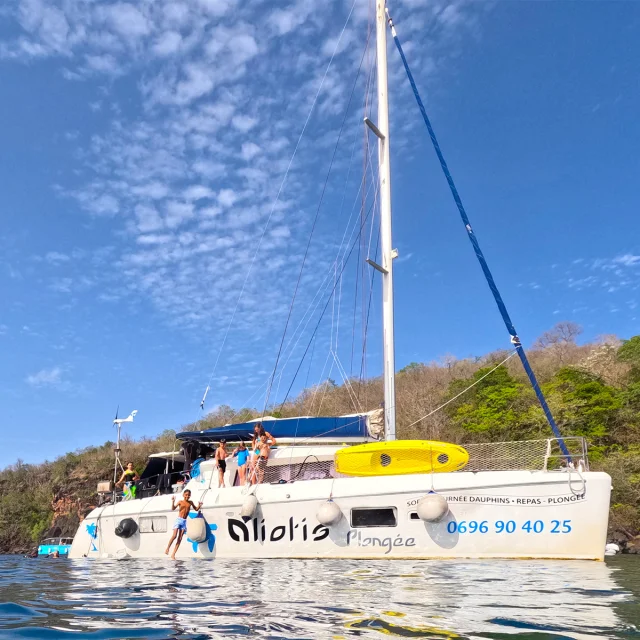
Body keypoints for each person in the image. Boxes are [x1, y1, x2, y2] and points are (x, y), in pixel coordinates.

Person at [165, 489, 203, 559]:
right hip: (179, 520)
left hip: (184, 521)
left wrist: (199, 505)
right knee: (174, 536)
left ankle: (173, 554)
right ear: (183, 495)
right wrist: (173, 501)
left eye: (189, 495)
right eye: (186, 495)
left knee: (180, 538)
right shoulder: (180, 502)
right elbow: (173, 508)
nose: (187, 496)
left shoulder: (190, 502)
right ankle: (167, 548)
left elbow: (196, 509)